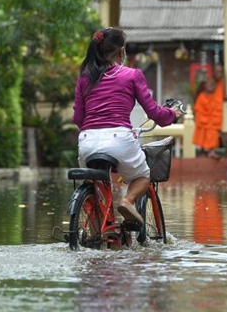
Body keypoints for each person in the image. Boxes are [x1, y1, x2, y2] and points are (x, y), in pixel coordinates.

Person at [72, 27, 183, 224]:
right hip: (119, 140)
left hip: (87, 141)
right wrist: (172, 114)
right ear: (121, 50)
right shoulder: (132, 75)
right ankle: (127, 201)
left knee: (95, 184)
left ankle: (97, 231)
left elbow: (79, 119)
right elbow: (155, 113)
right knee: (142, 176)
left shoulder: (85, 77)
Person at [193, 66, 224, 155]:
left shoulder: (221, 84)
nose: (219, 74)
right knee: (202, 130)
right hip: (203, 108)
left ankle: (211, 151)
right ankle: (203, 150)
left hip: (213, 113)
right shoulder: (207, 82)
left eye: (221, 72)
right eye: (217, 72)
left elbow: (221, 96)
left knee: (212, 132)